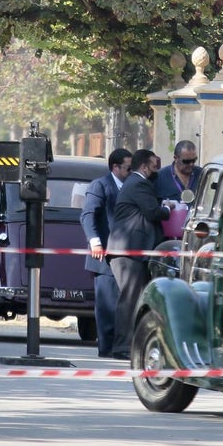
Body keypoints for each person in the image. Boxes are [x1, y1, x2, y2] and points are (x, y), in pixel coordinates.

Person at [107, 149, 170, 360]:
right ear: (144, 167)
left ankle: (129, 345)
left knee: (135, 298)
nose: (156, 171)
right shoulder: (139, 183)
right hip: (128, 250)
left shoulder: (135, 183)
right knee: (130, 299)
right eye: (154, 167)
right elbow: (152, 211)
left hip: (131, 251)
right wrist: (168, 208)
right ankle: (122, 347)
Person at [79, 148, 132, 358]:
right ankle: (107, 348)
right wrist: (95, 243)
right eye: (128, 168)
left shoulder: (132, 186)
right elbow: (88, 215)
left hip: (126, 255)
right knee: (107, 304)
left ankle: (121, 347)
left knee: (123, 303)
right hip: (104, 257)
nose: (131, 171)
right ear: (115, 167)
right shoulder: (100, 186)